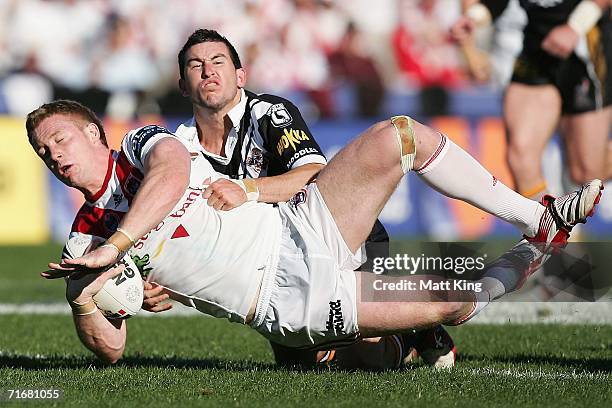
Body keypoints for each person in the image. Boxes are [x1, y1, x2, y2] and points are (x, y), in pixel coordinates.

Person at [28, 99, 602, 365]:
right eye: (42, 151)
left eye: (61, 139)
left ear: (95, 132)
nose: (53, 154)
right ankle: (534, 254)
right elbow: (112, 352)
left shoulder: (145, 146)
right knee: (453, 299)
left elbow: (173, 175)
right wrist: (84, 300)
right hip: (287, 300)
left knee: (400, 134)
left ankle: (538, 216)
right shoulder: (84, 239)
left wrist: (119, 248)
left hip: (298, 226)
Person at [167, 28, 453, 370]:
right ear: (183, 84)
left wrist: (247, 189)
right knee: (302, 364)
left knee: (367, 357)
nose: (208, 70)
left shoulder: (269, 113)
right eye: (195, 65)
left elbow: (312, 172)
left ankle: (420, 330)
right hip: (277, 263)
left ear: (240, 75)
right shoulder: (178, 148)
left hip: (339, 237)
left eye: (218, 61)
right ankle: (395, 336)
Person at [452, 0, 611, 201]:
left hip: (585, 48)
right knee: (521, 157)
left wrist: (575, 26)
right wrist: (473, 19)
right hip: (537, 49)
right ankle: (547, 229)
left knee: (586, 173)